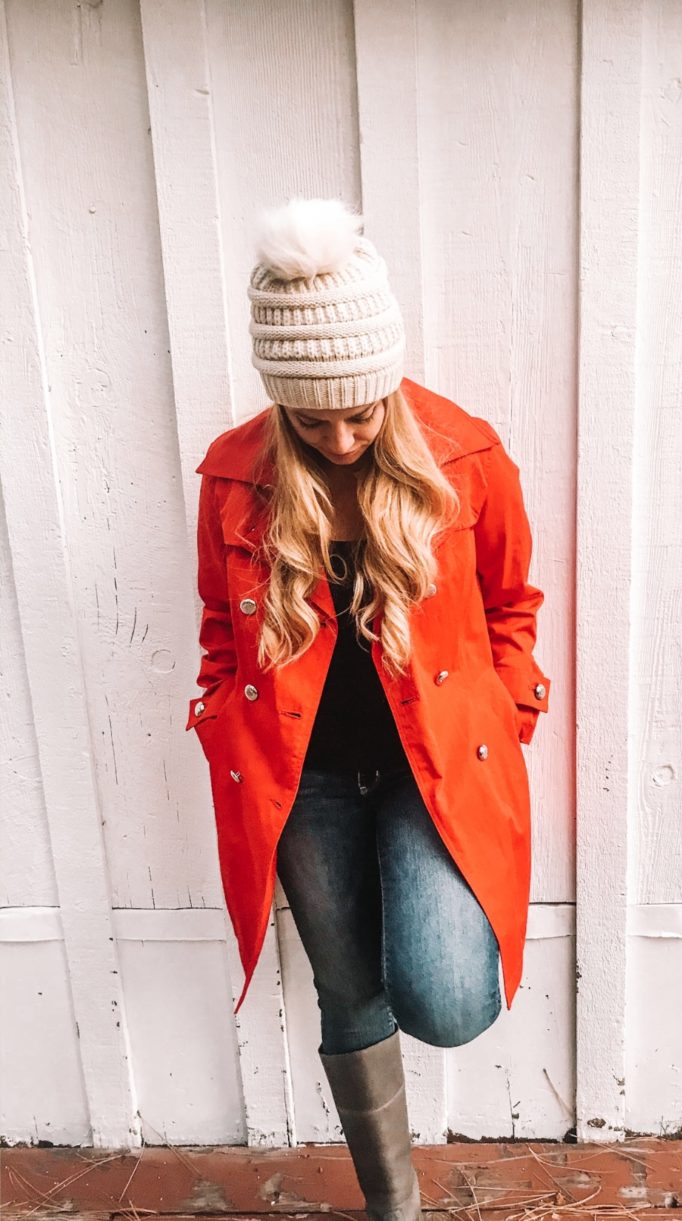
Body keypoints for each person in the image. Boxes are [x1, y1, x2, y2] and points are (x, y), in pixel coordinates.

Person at [186, 197, 550, 1221]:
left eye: (361, 410)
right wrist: (218, 707)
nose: (342, 438)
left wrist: (509, 710)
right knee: (346, 990)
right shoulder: (233, 472)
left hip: (432, 769)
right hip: (297, 778)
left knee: (446, 998)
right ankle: (392, 1203)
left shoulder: (461, 456)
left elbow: (513, 603)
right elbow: (221, 621)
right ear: (279, 401)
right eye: (313, 418)